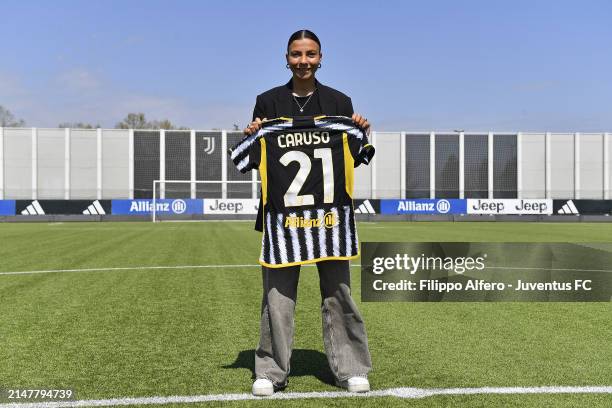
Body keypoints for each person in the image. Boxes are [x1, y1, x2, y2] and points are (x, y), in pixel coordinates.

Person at [242, 29, 373, 396]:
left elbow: (356, 157)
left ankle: (350, 369)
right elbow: (256, 158)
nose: (304, 61)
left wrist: (362, 132)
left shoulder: (339, 102)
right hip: (283, 219)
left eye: (310, 54)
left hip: (330, 219)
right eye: (297, 54)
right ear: (286, 58)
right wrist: (253, 133)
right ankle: (270, 370)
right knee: (277, 299)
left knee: (339, 293)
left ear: (321, 57)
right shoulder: (267, 103)